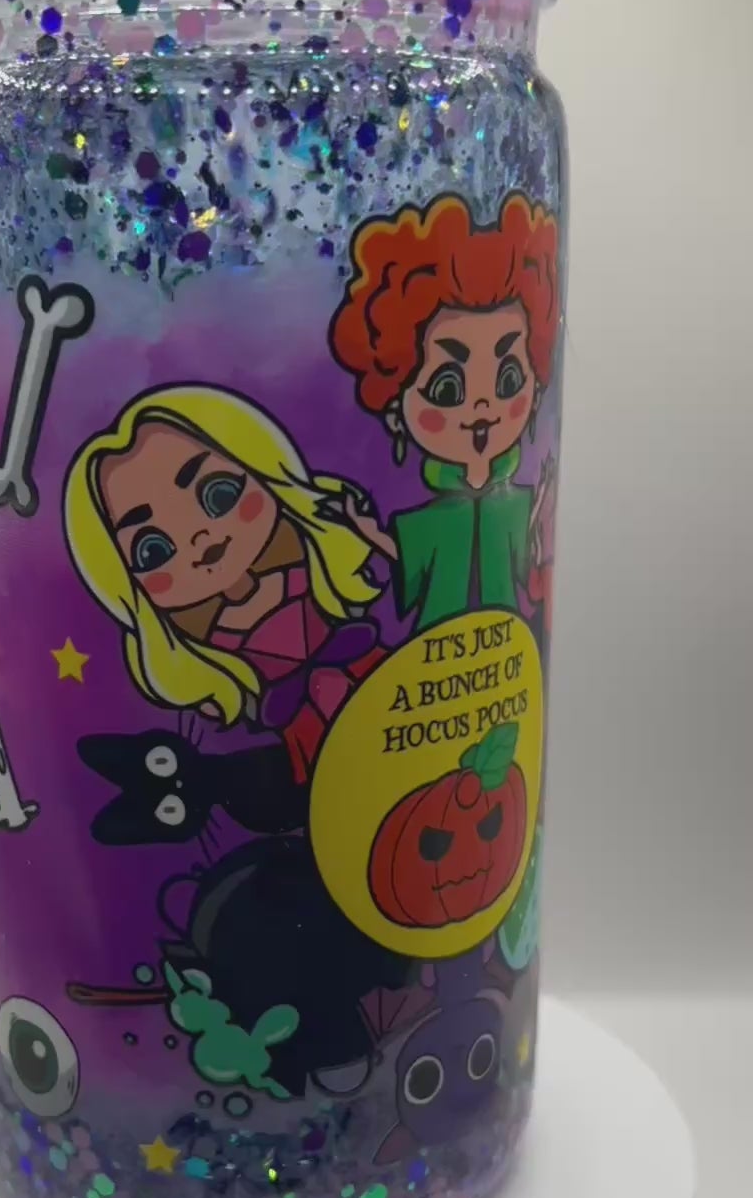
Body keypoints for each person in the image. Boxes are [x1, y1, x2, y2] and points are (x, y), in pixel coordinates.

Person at [63, 384, 384, 781]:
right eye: (153, 550)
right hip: (303, 739)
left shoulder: (310, 572)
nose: (199, 537)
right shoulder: (207, 644)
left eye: (219, 494)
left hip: (390, 686)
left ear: (268, 476)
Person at [329, 191, 560, 633]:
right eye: (447, 388)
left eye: (509, 378)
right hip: (429, 651)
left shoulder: (513, 497)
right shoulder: (432, 516)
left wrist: (543, 504)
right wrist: (364, 529)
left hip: (509, 651)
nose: (482, 405)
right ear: (396, 407)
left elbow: (529, 553)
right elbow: (404, 553)